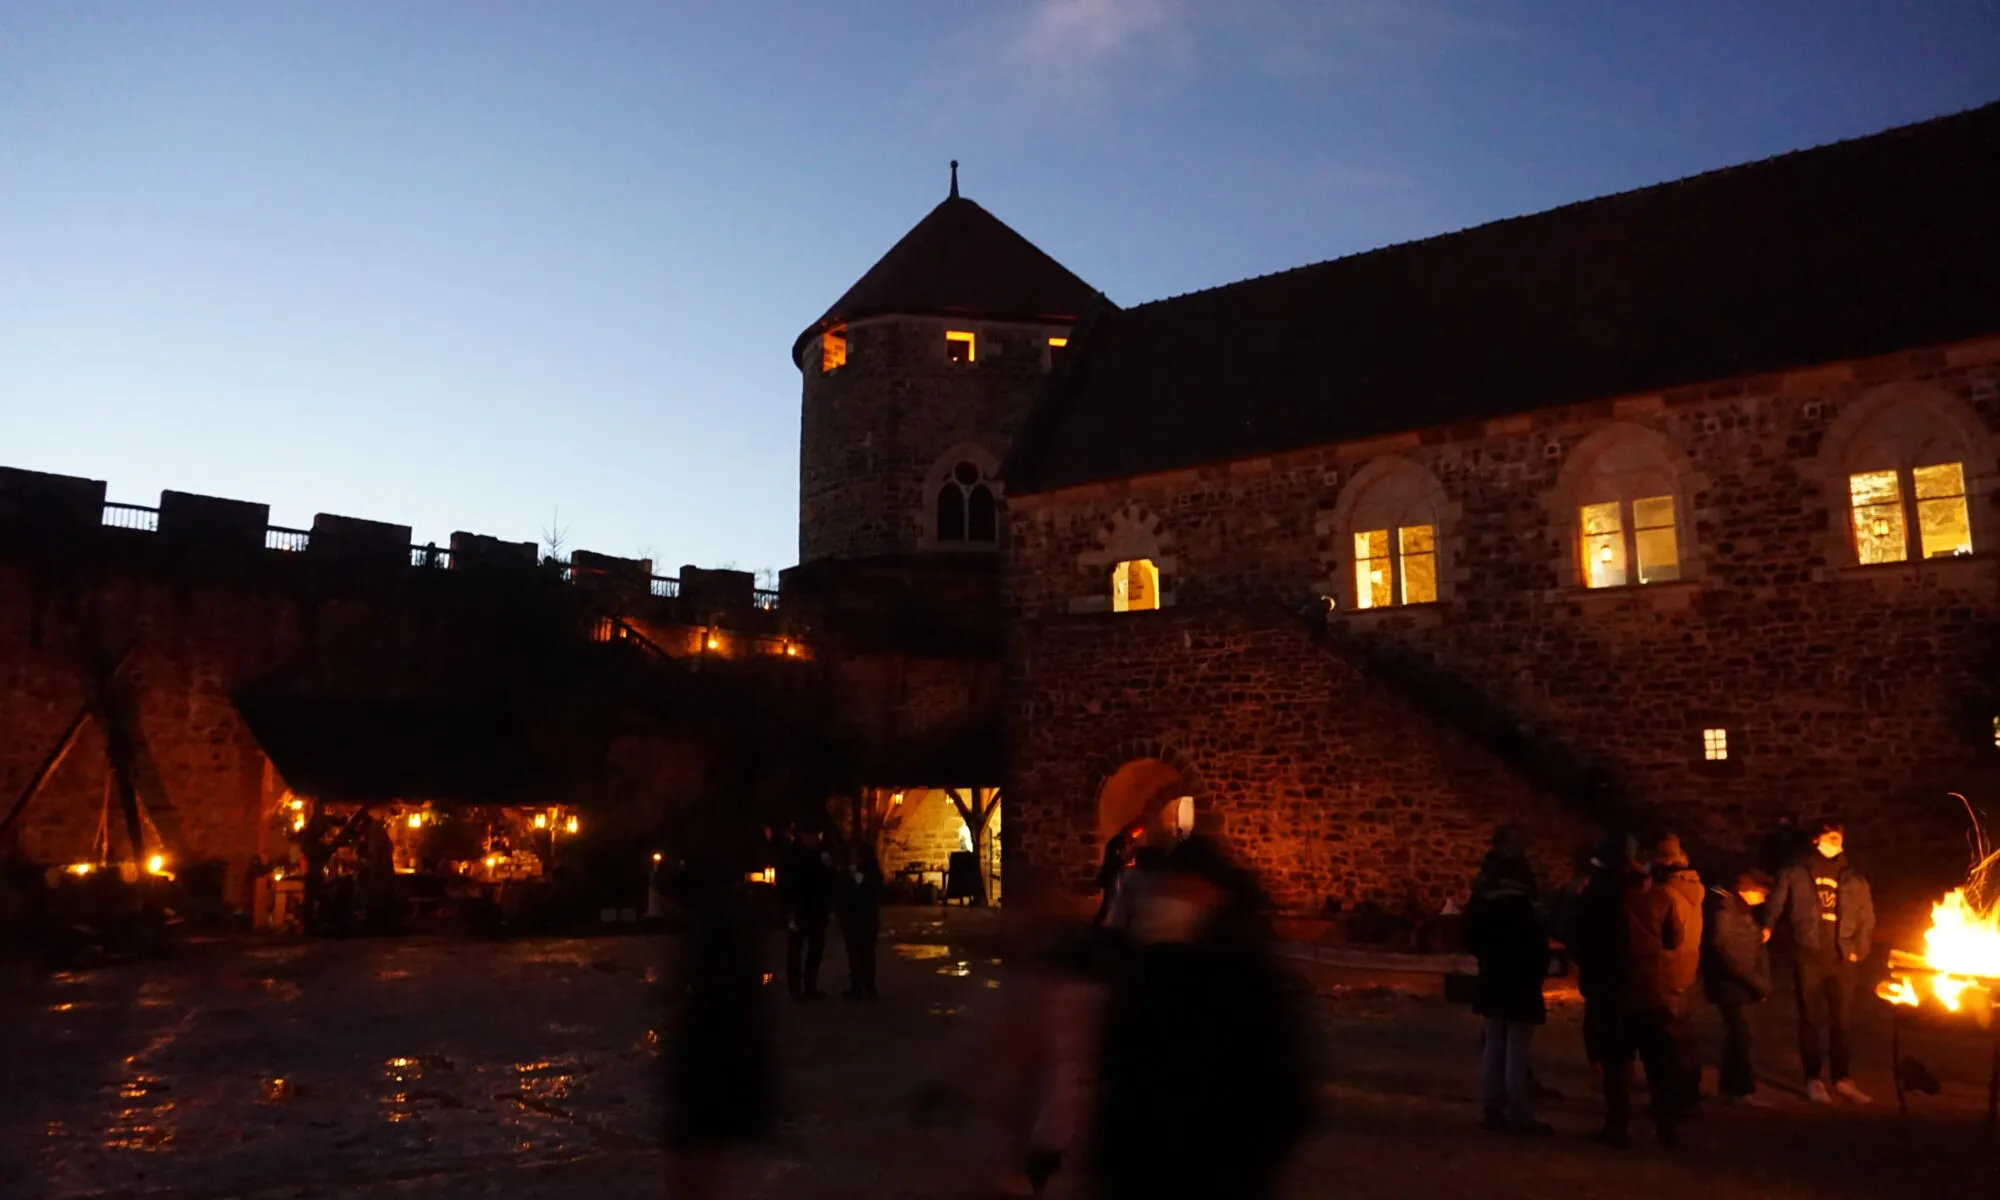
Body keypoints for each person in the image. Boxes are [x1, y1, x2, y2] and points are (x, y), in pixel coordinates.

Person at [1092, 836, 1311, 1200]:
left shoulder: (1247, 984)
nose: (1166, 904)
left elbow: (1280, 1100)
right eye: (1165, 892)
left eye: (1180, 894)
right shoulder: (1142, 972)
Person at [661, 849, 774, 1199]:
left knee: (705, 1170)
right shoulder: (724, 927)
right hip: (720, 1073)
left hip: (714, 1075)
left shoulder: (716, 935)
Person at [1762, 819, 1876, 1104]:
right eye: (1831, 837)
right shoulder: (1795, 872)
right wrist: (1767, 926)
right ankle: (1813, 1079)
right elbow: (1776, 902)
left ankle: (1842, 1079)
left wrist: (1859, 950)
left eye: (1839, 838)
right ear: (1817, 840)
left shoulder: (1854, 878)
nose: (1836, 842)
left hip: (1842, 958)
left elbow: (1867, 917)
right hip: (1809, 955)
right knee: (1810, 1019)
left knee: (1842, 1021)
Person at [1595, 839, 1695, 1149]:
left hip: (1617, 990)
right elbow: (1674, 938)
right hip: (1651, 990)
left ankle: (1617, 1127)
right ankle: (1667, 1128)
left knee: (1618, 1066)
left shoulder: (1607, 900)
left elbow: (1589, 938)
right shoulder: (1661, 898)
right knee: (1658, 1065)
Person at [1462, 824, 1551, 1134]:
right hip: (1519, 975)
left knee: (1497, 1042)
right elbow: (1538, 932)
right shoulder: (1523, 891)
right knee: (1511, 1044)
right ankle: (1516, 1111)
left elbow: (1470, 935)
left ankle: (1493, 1107)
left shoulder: (1484, 887)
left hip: (1496, 974)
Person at [1559, 833, 1640, 1096]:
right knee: (1612, 1022)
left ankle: (1608, 1073)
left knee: (1604, 1021)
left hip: (1604, 968)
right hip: (1616, 968)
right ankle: (1614, 1074)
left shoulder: (1595, 890)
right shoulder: (1627, 888)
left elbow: (1573, 927)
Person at [1702, 870, 1773, 1105]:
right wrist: (1758, 983)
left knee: (1737, 1037)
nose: (1763, 899)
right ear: (1746, 890)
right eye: (1761, 893)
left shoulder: (1742, 913)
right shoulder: (1726, 913)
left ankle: (1730, 1089)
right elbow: (1729, 956)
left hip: (1741, 985)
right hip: (1730, 986)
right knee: (1742, 1037)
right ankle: (1743, 1090)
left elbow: (1754, 946)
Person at [1648, 834, 1706, 1110]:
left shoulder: (1665, 893)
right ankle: (1691, 1089)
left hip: (1667, 967)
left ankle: (1673, 1099)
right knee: (1683, 1031)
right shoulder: (1696, 888)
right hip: (1687, 965)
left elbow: (1670, 935)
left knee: (1667, 1038)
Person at [776, 825, 832, 1000]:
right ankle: (795, 988)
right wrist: (789, 909)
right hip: (800, 908)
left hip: (817, 909)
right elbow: (786, 885)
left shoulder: (820, 855)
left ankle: (810, 986)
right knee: (795, 950)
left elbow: (827, 881)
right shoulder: (793, 856)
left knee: (814, 950)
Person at [838, 843, 883, 1000]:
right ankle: (856, 986)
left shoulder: (871, 873)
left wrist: (858, 878)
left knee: (867, 954)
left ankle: (869, 987)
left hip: (866, 920)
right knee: (854, 954)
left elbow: (873, 891)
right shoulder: (847, 872)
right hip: (851, 920)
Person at [1091, 825, 1138, 927]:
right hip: (1113, 874)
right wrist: (1126, 862)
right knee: (1110, 899)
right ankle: (1098, 922)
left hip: (1115, 873)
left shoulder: (1119, 841)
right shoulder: (1117, 842)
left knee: (1113, 898)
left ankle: (1105, 922)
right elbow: (1116, 860)